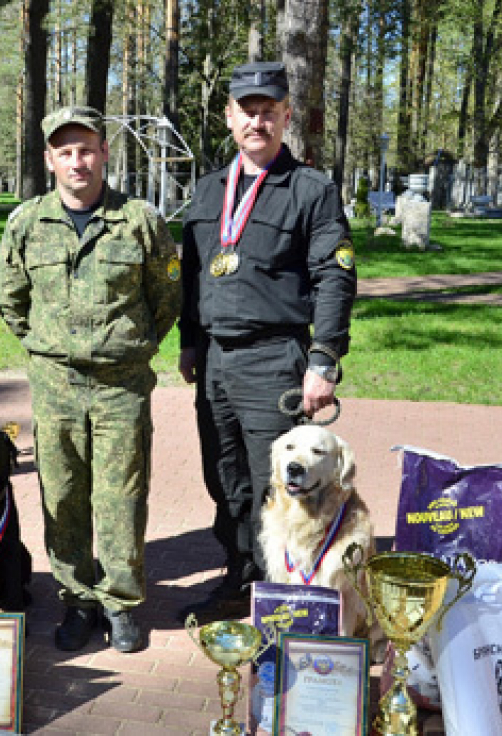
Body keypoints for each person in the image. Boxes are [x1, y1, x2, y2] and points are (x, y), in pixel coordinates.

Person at [0, 106, 181, 653]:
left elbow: (166, 299)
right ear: (50, 159)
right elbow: (11, 300)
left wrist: (129, 347)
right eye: (65, 151)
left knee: (122, 497)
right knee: (63, 495)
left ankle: (122, 604)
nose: (77, 160)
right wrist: (51, 345)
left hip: (121, 385)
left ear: (104, 153)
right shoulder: (26, 222)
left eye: (87, 149)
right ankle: (77, 601)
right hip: (54, 385)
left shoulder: (141, 220)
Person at [177, 61, 356, 622]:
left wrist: (323, 360)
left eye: (268, 111)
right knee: (224, 478)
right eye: (247, 110)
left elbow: (336, 275)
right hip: (213, 361)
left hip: (274, 361)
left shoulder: (310, 190)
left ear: (286, 115)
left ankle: (285, 595)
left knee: (276, 482)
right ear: (229, 116)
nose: (257, 120)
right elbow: (192, 274)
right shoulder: (208, 191)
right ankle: (241, 577)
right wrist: (188, 342)